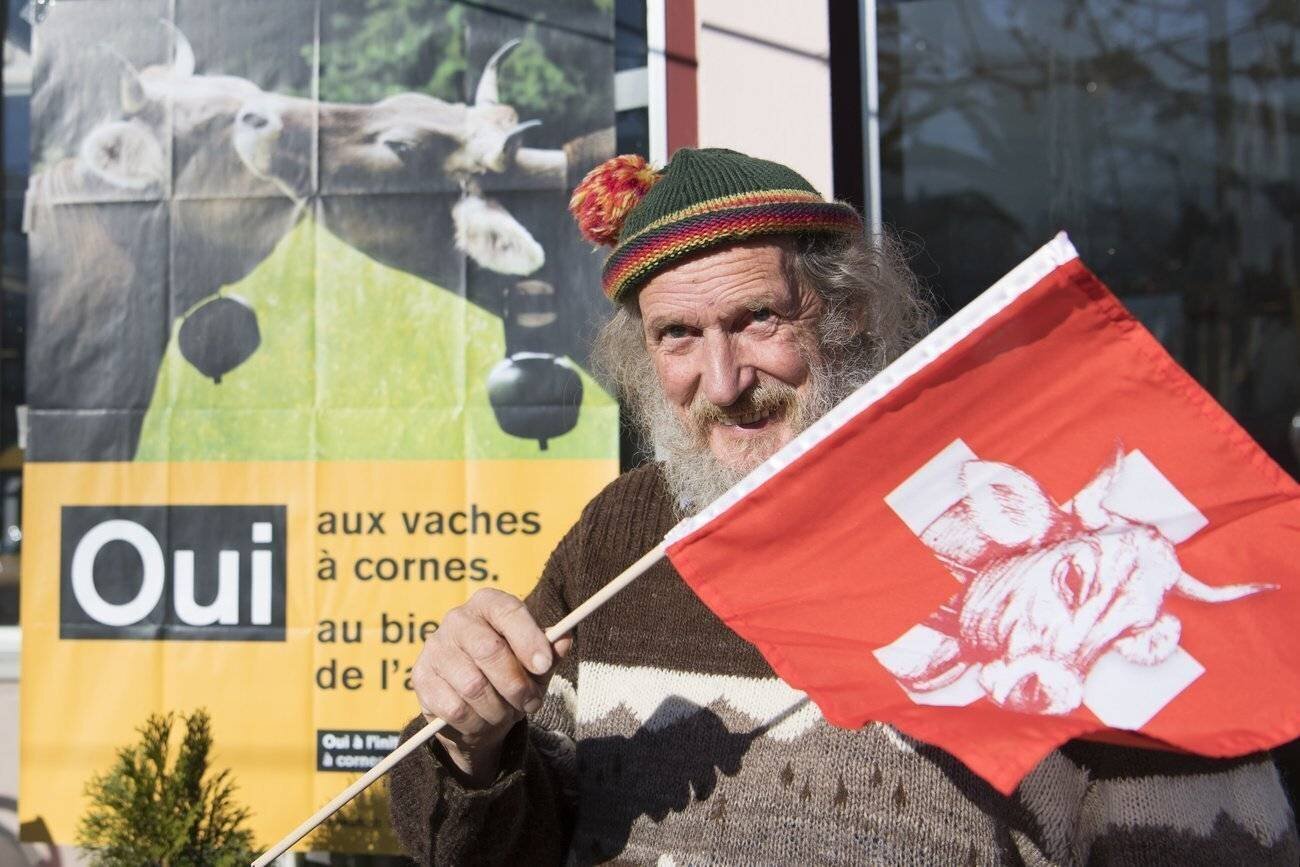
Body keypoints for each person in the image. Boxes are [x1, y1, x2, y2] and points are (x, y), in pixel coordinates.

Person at [388, 147, 1298, 865]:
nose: (724, 381)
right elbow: (492, 843)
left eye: (758, 320)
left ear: (847, 313)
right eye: (678, 336)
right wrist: (473, 746)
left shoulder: (1021, 517)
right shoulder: (624, 534)